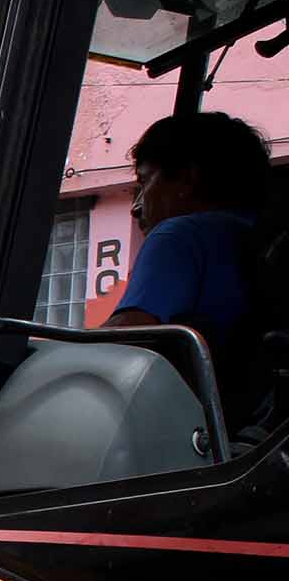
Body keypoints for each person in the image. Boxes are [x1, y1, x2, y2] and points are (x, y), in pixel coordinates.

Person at [105, 110, 270, 425]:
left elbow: (124, 338)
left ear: (186, 180)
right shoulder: (254, 238)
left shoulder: (179, 235)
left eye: (143, 182)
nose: (135, 206)